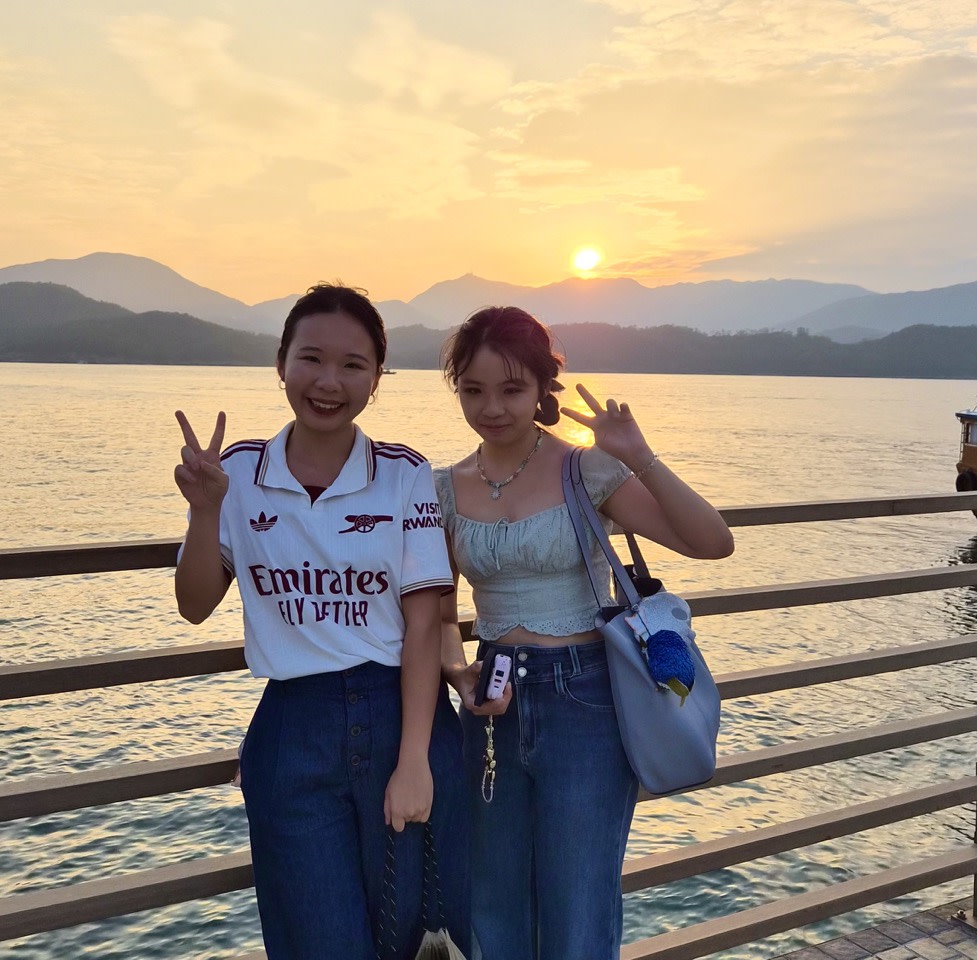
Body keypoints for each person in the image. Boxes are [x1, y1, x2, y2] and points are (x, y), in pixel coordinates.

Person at [173, 283, 468, 960]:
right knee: (318, 941)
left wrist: (416, 761)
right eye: (311, 359)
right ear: (280, 364)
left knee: (414, 941)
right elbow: (194, 605)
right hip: (293, 726)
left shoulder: (403, 474)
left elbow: (424, 624)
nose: (329, 382)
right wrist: (205, 509)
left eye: (353, 365)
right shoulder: (237, 472)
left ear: (377, 378)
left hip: (402, 715)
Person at [434, 306, 735, 959]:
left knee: (578, 905)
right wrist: (462, 676)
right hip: (492, 704)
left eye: (511, 389)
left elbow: (712, 542)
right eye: (473, 390)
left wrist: (640, 457)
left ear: (544, 387)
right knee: (492, 902)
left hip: (585, 698)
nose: (492, 408)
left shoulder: (584, 471)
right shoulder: (445, 489)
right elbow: (434, 610)